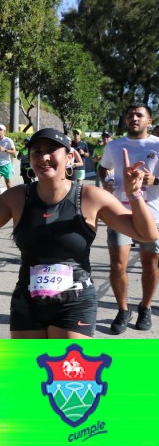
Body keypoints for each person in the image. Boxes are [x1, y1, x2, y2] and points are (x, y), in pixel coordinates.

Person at [0, 127, 157, 338]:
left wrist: (134, 194)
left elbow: (147, 234)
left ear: (69, 157)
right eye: (37, 152)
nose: (44, 157)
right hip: (28, 301)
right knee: (32, 361)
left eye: (51, 150)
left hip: (75, 302)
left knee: (67, 360)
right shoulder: (17, 197)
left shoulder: (91, 197)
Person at [99, 104, 159, 334]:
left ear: (149, 121)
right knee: (117, 264)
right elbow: (103, 168)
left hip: (151, 214)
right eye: (130, 115)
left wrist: (154, 181)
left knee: (150, 264)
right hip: (120, 213)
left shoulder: (157, 145)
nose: (134, 118)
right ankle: (123, 310)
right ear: (125, 120)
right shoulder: (114, 146)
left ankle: (145, 307)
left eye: (139, 115)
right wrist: (106, 181)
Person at [0, 124, 18, 199]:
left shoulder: (8, 140)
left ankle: (12, 200)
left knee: (8, 183)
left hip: (6, 164)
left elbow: (14, 152)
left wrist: (4, 150)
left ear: (4, 131)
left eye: (0, 130)